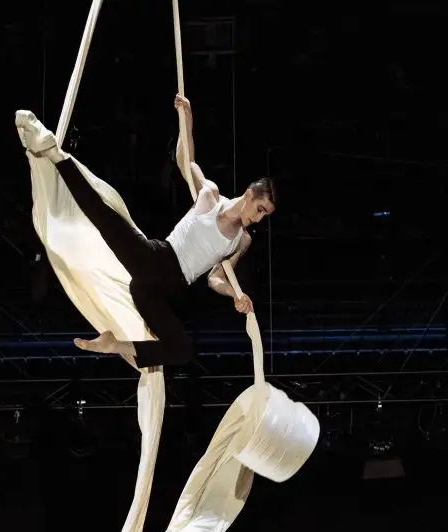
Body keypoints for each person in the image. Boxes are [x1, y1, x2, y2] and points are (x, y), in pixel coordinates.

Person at [15, 94, 276, 368]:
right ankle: (55, 154)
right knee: (103, 215)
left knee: (182, 350)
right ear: (249, 194)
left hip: (161, 291)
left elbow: (215, 279)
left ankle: (114, 345)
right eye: (260, 209)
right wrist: (186, 120)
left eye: (264, 215)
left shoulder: (240, 241)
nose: (259, 219)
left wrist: (236, 295)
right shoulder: (210, 195)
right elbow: (184, 160)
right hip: (156, 260)